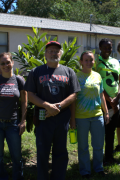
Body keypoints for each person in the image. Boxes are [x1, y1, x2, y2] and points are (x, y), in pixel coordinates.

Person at [24, 41, 81, 180]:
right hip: (44, 117)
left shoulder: (69, 71)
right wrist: (47, 106)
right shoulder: (36, 72)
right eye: (50, 51)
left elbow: (74, 94)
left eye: (56, 51)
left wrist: (59, 106)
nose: (53, 53)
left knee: (61, 151)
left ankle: (59, 176)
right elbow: (30, 95)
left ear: (60, 54)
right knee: (42, 151)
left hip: (62, 118)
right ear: (45, 54)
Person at [0, 52, 27, 180]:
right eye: (3, 63)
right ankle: (1, 177)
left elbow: (24, 101)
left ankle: (17, 177)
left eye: (8, 62)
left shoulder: (19, 80)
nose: (6, 65)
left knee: (17, 156)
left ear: (12, 63)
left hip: (13, 124)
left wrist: (23, 121)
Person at [70, 51, 109, 179]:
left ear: (94, 61)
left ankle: (99, 168)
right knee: (83, 147)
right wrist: (73, 119)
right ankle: (85, 171)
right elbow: (73, 99)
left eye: (91, 60)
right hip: (81, 118)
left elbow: (101, 95)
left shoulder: (98, 76)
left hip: (97, 115)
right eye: (86, 60)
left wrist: (106, 112)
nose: (89, 62)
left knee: (98, 145)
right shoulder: (76, 77)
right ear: (81, 62)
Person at [95, 38, 120, 165]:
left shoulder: (115, 62)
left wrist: (117, 97)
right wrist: (109, 100)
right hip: (103, 102)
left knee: (111, 130)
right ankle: (99, 157)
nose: (108, 50)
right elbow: (97, 83)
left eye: (110, 48)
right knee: (102, 131)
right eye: (105, 48)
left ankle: (109, 157)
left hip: (116, 101)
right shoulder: (96, 63)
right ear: (100, 48)